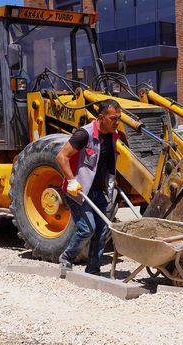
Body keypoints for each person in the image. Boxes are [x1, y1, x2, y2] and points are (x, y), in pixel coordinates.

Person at [56, 99, 121, 275]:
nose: (117, 122)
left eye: (119, 118)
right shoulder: (83, 134)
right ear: (101, 117)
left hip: (99, 191)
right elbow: (61, 157)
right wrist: (71, 180)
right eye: (113, 118)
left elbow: (106, 161)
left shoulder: (112, 135)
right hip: (78, 191)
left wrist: (111, 179)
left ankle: (93, 269)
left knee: (101, 232)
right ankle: (67, 257)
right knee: (87, 228)